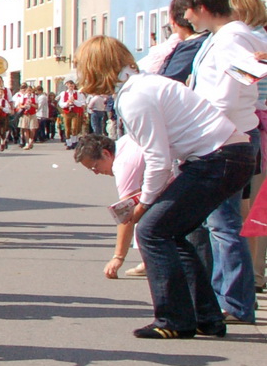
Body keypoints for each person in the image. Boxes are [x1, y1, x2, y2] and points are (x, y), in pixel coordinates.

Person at [73, 36, 251, 338]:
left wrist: (145, 202)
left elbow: (157, 157)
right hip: (227, 155)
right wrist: (151, 198)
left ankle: (174, 320)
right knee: (172, 231)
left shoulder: (134, 97)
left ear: (94, 68)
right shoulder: (144, 85)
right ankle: (205, 317)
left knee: (152, 230)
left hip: (216, 158)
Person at [173, 0, 267, 325]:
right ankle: (231, 299)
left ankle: (236, 302)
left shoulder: (230, 38)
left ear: (200, 7)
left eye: (189, 13)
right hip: (231, 132)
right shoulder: (228, 36)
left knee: (223, 223)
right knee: (221, 222)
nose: (188, 21)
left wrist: (201, 114)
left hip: (224, 135)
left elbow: (234, 88)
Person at [71, 133, 146, 279]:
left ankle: (156, 262)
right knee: (143, 213)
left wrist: (118, 257)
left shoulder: (123, 165)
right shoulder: (124, 142)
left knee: (147, 225)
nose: (97, 173)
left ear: (106, 154)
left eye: (95, 167)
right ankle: (149, 261)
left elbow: (125, 215)